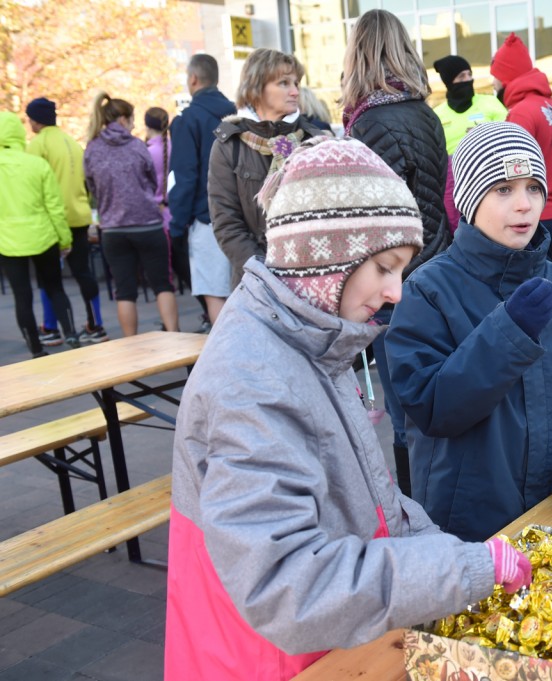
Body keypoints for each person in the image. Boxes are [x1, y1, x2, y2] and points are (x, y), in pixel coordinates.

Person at [164, 136, 531, 681]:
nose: (396, 291)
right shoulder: (253, 380)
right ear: (326, 257)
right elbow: (287, 585)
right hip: (269, 659)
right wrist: (461, 567)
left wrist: (440, 549)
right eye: (384, 266)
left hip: (324, 642)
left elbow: (366, 490)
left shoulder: (311, 337)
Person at [385, 122, 552, 542]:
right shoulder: (427, 290)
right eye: (503, 189)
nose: (524, 205)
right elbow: (432, 407)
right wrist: (508, 332)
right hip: (469, 527)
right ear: (469, 199)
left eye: (533, 187)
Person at [340, 8, 451, 497]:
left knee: (405, 418)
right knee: (435, 399)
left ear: (359, 55)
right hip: (437, 271)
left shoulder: (369, 124)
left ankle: (417, 515)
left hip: (394, 285)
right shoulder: (424, 113)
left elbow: (372, 221)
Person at [209, 48, 327, 289]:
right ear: (256, 88)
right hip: (255, 282)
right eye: (284, 83)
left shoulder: (315, 140)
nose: (295, 91)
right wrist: (264, 274)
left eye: (296, 83)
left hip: (312, 277)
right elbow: (227, 223)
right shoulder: (229, 145)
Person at [84, 92, 179, 336]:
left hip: (113, 228)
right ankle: (175, 336)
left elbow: (92, 187)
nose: (135, 124)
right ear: (123, 119)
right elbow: (152, 180)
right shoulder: (137, 146)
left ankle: (130, 345)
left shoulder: (92, 149)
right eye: (133, 119)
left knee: (125, 291)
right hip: (147, 224)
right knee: (162, 285)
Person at [24, 97, 106, 344]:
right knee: (83, 272)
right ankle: (96, 324)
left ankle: (50, 327)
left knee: (49, 277)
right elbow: (86, 182)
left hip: (53, 219)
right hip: (79, 215)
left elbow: (32, 185)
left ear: (36, 121)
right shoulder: (72, 142)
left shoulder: (37, 145)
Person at [0, 111, 79, 357]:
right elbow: (55, 207)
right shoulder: (37, 164)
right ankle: (72, 335)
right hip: (44, 237)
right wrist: (64, 239)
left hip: (8, 241)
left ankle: (36, 350)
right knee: (55, 288)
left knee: (22, 297)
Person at [168, 53, 236, 327]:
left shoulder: (188, 120)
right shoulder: (238, 116)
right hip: (240, 216)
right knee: (242, 293)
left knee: (215, 294)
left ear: (193, 78)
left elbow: (184, 176)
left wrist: (177, 223)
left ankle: (227, 352)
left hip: (207, 218)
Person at [491, 32, 552, 264]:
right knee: (551, 279)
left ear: (507, 77)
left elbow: (511, 169)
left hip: (531, 217)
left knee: (528, 282)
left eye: (495, 77)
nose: (493, 83)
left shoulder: (522, 112)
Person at [432, 54, 507, 155]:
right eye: (461, 76)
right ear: (449, 82)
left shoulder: (491, 102)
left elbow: (507, 134)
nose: (468, 79)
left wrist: (484, 135)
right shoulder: (436, 115)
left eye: (469, 74)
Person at [144, 107, 173, 236]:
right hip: (175, 214)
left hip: (153, 217)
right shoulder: (176, 147)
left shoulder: (147, 153)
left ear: (147, 126)